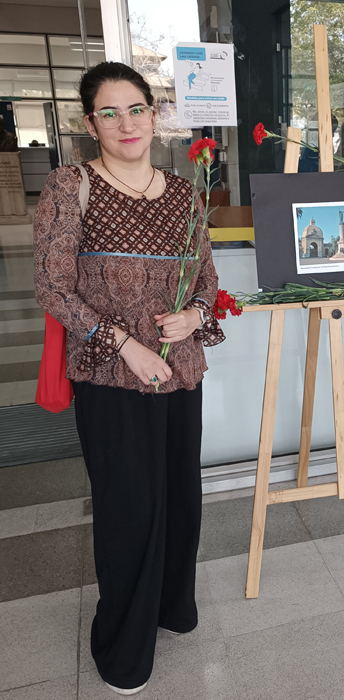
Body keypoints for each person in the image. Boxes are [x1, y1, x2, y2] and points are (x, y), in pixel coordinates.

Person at [34, 62, 224, 695]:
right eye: (109, 113)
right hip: (112, 377)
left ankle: (170, 608)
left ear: (154, 114)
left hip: (179, 371)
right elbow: (53, 287)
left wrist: (194, 316)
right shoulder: (72, 186)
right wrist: (127, 346)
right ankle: (123, 647)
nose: (126, 123)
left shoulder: (184, 190)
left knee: (179, 499)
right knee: (127, 508)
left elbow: (206, 277)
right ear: (91, 124)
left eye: (136, 109)